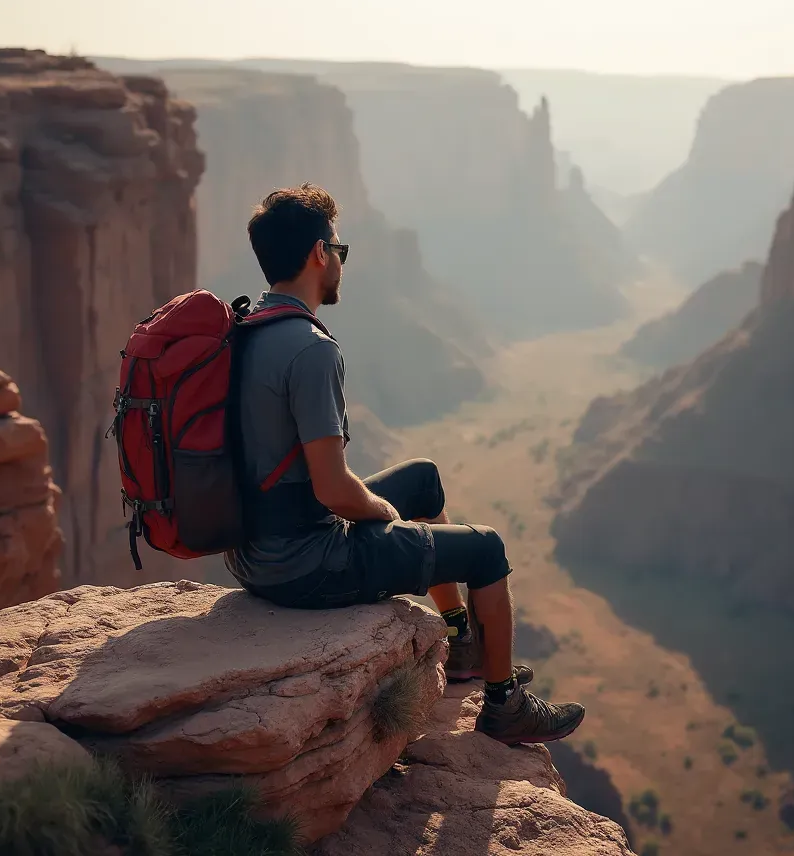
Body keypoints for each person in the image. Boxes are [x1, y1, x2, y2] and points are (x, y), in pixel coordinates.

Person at [225, 183, 585, 746]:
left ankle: (462, 639)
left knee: (424, 476)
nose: (342, 260)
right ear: (319, 254)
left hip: (254, 550)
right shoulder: (310, 349)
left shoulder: (245, 329)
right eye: (339, 248)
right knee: (486, 549)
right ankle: (503, 705)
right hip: (304, 564)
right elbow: (333, 490)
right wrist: (384, 513)